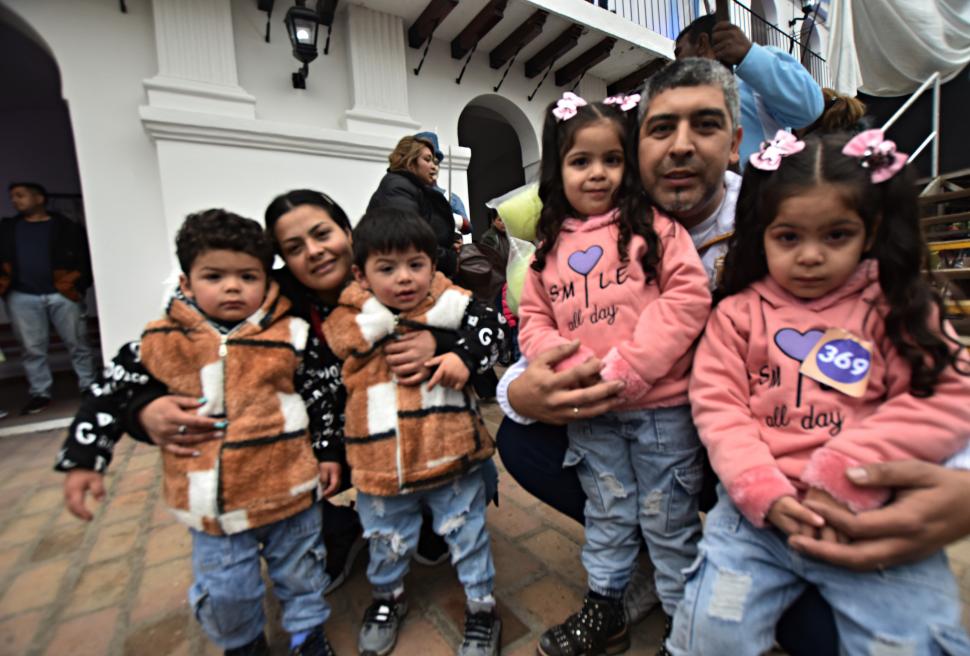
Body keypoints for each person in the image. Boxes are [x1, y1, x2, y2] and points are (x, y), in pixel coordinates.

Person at [496, 57, 970, 654]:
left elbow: (934, 374)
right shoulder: (581, 234)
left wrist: (962, 482)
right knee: (522, 440)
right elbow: (549, 314)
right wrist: (523, 385)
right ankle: (630, 582)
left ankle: (688, 587)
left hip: (773, 461)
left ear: (737, 140)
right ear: (637, 144)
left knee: (846, 632)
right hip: (710, 445)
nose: (682, 146)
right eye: (662, 128)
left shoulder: (788, 211)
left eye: (705, 125)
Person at [667, 131, 970, 655]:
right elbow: (720, 410)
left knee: (911, 641)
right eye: (789, 237)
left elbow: (947, 397)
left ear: (870, 231)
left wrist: (848, 470)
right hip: (755, 521)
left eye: (836, 236)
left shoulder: (897, 308)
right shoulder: (738, 315)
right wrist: (761, 489)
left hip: (871, 516)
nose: (810, 257)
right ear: (761, 233)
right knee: (706, 634)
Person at [57, 210, 340, 655]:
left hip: (291, 492)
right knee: (229, 590)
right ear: (186, 283)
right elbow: (108, 392)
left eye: (248, 276)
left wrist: (326, 452)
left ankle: (307, 636)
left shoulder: (293, 335)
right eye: (214, 276)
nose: (232, 287)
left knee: (302, 577)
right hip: (214, 505)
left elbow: (321, 396)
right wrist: (83, 460)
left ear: (267, 281)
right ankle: (243, 644)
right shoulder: (162, 340)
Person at [517, 92, 711, 656]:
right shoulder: (547, 250)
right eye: (581, 161)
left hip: (660, 415)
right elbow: (533, 320)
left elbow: (688, 298)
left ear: (629, 165)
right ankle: (607, 606)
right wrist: (573, 369)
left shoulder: (654, 226)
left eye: (611, 159)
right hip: (591, 414)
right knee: (606, 512)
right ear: (559, 168)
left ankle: (686, 623)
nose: (597, 173)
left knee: (668, 522)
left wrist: (628, 369)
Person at [322, 208, 503, 656]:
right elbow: (329, 379)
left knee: (468, 534)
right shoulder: (347, 321)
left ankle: (482, 608)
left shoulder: (450, 302)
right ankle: (387, 599)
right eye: (387, 268)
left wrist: (461, 354)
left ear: (432, 264)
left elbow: (494, 329)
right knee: (385, 540)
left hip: (452, 456)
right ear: (361, 276)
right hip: (381, 465)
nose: (404, 278)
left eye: (416, 264)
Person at [674, 14, 823, 165]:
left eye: (678, 52)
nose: (676, 63)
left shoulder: (754, 76)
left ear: (701, 44)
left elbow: (808, 108)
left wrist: (748, 54)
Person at [1, 182, 96, 415]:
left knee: (77, 342)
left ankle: (88, 386)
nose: (15, 201)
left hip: (63, 293)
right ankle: (40, 393)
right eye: (13, 197)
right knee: (32, 348)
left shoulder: (66, 228)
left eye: (20, 196)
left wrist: (77, 285)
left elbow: (85, 259)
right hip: (21, 296)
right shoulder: (7, 229)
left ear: (39, 198)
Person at [368, 135, 460, 278]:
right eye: (427, 160)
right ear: (410, 162)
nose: (434, 166)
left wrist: (448, 243)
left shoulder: (413, 189)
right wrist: (449, 259)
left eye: (435, 161)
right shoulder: (398, 188)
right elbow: (409, 238)